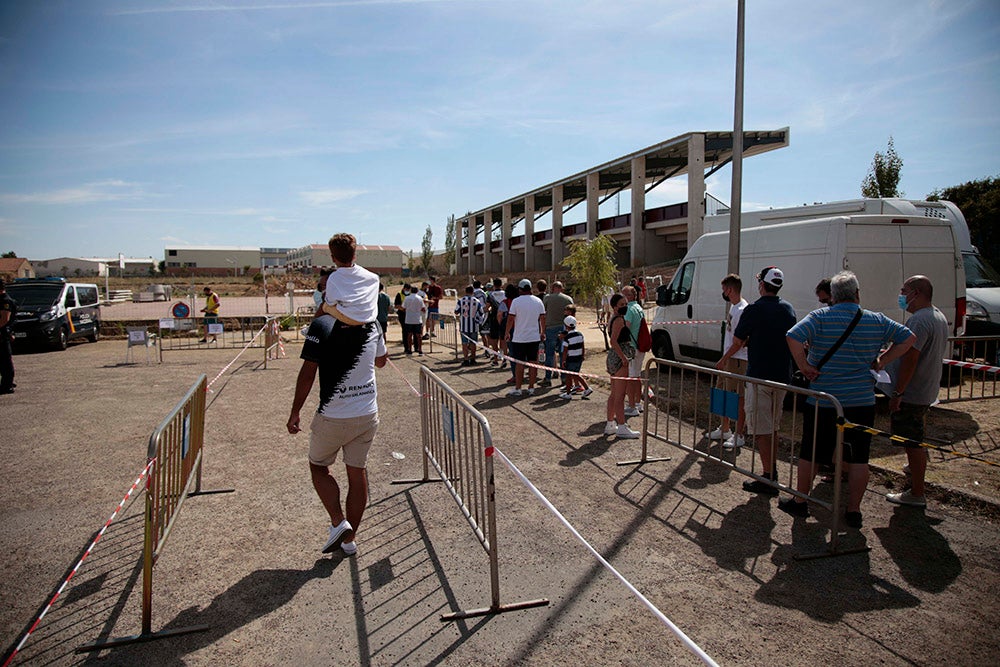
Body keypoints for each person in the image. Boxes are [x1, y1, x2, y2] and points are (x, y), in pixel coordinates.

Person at [783, 271, 915, 528]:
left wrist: (805, 365)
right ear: (857, 293)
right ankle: (854, 510)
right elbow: (909, 338)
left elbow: (793, 336)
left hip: (824, 399)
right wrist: (883, 360)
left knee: (811, 452)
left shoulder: (820, 317)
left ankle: (800, 502)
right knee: (859, 457)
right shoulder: (876, 320)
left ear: (832, 296)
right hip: (861, 400)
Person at [286, 308, 388, 557]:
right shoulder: (372, 323)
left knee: (318, 466)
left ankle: (338, 521)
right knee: (357, 472)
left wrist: (295, 411)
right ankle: (349, 540)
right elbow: (381, 361)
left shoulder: (321, 325)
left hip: (333, 414)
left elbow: (308, 373)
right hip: (366, 413)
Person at [720, 266, 797, 495]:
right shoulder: (788, 309)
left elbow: (738, 339)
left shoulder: (754, 310)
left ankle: (768, 477)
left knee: (763, 429)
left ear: (762, 285)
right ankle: (771, 471)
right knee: (772, 426)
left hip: (760, 376)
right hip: (782, 376)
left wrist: (726, 357)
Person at [883, 275, 949, 508]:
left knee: (912, 442)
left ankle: (917, 492)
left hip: (913, 392)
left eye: (904, 291)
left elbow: (911, 358)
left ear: (917, 293)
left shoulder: (920, 321)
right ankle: (914, 475)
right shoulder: (937, 316)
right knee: (913, 440)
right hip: (925, 389)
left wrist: (898, 392)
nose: (901, 296)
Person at [712, 274, 749, 449]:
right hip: (729, 358)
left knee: (739, 396)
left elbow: (739, 341)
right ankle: (725, 427)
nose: (723, 293)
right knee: (724, 392)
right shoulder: (734, 308)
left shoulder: (742, 310)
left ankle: (739, 433)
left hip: (738, 359)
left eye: (724, 290)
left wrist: (724, 359)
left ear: (730, 290)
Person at [319, 233, 379, 327]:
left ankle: (312, 331)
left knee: (325, 306)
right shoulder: (373, 277)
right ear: (354, 256)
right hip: (368, 318)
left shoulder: (334, 278)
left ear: (333, 258)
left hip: (349, 318)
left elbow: (331, 302)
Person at [605, 293, 639, 439]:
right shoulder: (618, 320)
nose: (624, 307)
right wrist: (623, 357)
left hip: (615, 357)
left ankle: (610, 423)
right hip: (619, 359)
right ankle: (622, 426)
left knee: (614, 393)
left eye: (626, 304)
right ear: (614, 307)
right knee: (619, 395)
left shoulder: (614, 319)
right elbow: (614, 341)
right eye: (621, 305)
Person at [505, 279, 545, 397]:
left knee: (519, 363)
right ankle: (531, 387)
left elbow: (511, 319)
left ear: (520, 289)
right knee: (533, 363)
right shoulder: (538, 301)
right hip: (534, 336)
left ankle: (518, 388)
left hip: (519, 337)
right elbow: (543, 318)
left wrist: (507, 332)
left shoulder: (516, 302)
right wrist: (542, 332)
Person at [541, 281, 573, 385]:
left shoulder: (547, 298)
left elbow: (543, 312)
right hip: (564, 327)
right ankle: (564, 378)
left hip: (550, 328)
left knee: (550, 354)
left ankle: (548, 378)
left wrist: (542, 329)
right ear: (561, 288)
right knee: (563, 353)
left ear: (553, 288)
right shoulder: (568, 299)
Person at [622, 285, 646, 417]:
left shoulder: (629, 310)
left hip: (631, 347)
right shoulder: (638, 308)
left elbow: (626, 329)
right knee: (637, 376)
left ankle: (632, 406)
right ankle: (638, 402)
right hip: (639, 346)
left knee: (630, 377)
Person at [558, 316, 592, 399]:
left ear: (566, 326)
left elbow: (565, 351)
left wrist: (563, 361)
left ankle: (569, 393)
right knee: (576, 374)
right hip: (578, 358)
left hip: (570, 359)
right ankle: (586, 388)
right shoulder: (580, 335)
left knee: (569, 376)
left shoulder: (567, 338)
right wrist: (583, 355)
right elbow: (583, 346)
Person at [455, 285, 485, 366]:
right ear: (472, 292)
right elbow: (481, 312)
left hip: (464, 326)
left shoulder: (461, 301)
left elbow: (456, 311)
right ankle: (473, 359)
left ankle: (466, 359)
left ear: (466, 291)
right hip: (474, 326)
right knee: (473, 343)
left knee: (464, 343)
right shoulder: (477, 301)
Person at [0, 279, 16, 395]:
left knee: (5, 361)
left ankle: (7, 385)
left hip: (2, 334)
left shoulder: (5, 301)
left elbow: (4, 320)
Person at [402, 284, 425, 355]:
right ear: (417, 291)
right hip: (417, 318)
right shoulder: (420, 298)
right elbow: (423, 308)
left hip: (409, 319)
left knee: (409, 335)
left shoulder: (407, 298)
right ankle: (420, 349)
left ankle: (409, 349)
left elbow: (403, 307)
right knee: (419, 335)